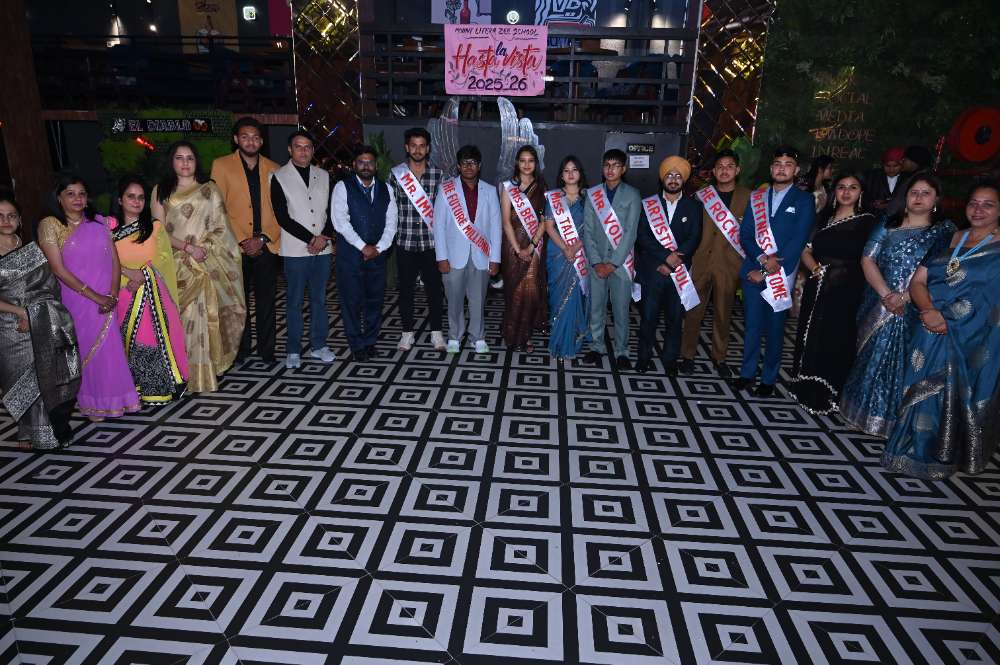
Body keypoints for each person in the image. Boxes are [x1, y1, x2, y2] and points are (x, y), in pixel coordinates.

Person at [882, 182, 1000, 478]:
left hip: (972, 336)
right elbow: (918, 281)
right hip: (929, 325)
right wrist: (928, 311)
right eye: (973, 203)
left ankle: (945, 453)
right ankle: (911, 448)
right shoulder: (951, 237)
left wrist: (952, 319)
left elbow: (991, 300)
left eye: (988, 205)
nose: (978, 210)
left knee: (954, 391)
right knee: (920, 386)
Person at [839, 174, 955, 436]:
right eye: (914, 192)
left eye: (926, 193)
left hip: (915, 305)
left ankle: (896, 423)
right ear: (905, 196)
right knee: (869, 359)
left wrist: (904, 298)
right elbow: (868, 259)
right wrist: (887, 295)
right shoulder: (887, 223)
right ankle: (858, 412)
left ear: (936, 200)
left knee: (906, 363)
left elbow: (939, 273)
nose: (918, 198)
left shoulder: (943, 232)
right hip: (877, 302)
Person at [37, 175, 140, 420]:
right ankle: (92, 403)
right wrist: (96, 297)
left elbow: (114, 260)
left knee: (110, 350)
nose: (77, 198)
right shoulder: (50, 224)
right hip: (77, 298)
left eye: (82, 193)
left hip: (107, 296)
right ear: (59, 198)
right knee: (86, 350)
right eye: (70, 193)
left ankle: (118, 399)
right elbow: (58, 269)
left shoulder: (99, 222)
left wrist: (112, 294)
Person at [152, 141, 246, 393]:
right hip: (176, 264)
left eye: (190, 158)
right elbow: (158, 232)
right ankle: (181, 373)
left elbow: (222, 227)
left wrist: (202, 248)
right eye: (179, 158)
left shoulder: (209, 189)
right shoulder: (161, 190)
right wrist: (187, 248)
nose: (185, 163)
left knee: (205, 317)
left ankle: (204, 374)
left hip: (207, 261)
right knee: (181, 320)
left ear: (196, 162)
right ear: (171, 161)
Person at [731, 146, 816, 397]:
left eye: (788, 165)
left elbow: (798, 240)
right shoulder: (757, 198)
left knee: (775, 329)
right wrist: (761, 259)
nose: (782, 169)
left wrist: (769, 270)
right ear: (771, 169)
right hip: (752, 271)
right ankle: (747, 373)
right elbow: (746, 234)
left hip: (782, 274)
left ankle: (768, 378)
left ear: (796, 170)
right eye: (778, 164)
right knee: (752, 327)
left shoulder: (804, 200)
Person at [789, 174, 876, 414]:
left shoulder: (868, 223)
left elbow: (871, 259)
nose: (846, 192)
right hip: (818, 287)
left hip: (847, 290)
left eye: (853, 187)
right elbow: (805, 250)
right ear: (834, 192)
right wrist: (816, 269)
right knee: (811, 335)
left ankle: (831, 391)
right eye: (841, 187)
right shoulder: (823, 218)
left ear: (861, 193)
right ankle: (806, 385)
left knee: (837, 338)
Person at [0, 193, 80, 448]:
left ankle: (47, 432)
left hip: (41, 320)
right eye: (0, 216)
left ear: (20, 220)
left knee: (44, 377)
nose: (6, 221)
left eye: (11, 216)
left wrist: (36, 312)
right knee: (17, 381)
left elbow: (49, 285)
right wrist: (20, 313)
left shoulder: (32, 250)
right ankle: (25, 431)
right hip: (8, 325)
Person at [110, 177, 189, 405]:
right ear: (120, 200)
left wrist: (143, 276)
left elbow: (163, 260)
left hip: (152, 293)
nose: (136, 201)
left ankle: (156, 389)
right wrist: (128, 274)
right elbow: (104, 261)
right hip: (123, 293)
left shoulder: (154, 227)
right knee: (130, 343)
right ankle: (132, 390)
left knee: (150, 339)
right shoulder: (109, 231)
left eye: (141, 197)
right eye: (130, 196)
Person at [210, 116, 281, 365]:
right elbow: (216, 208)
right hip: (234, 246)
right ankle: (240, 350)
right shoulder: (221, 166)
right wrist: (242, 240)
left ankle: (267, 350)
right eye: (245, 137)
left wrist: (261, 239)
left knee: (266, 301)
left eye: (255, 137)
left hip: (267, 245)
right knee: (237, 302)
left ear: (261, 141)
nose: (250, 141)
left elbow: (281, 210)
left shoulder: (275, 168)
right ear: (236, 139)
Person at [680, 149, 751, 377]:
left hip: (729, 265)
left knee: (723, 314)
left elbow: (755, 232)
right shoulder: (702, 196)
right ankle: (687, 356)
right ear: (714, 171)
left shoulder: (750, 198)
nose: (724, 170)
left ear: (737, 170)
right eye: (720, 166)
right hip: (701, 261)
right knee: (693, 311)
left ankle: (719, 358)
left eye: (729, 166)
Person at [270, 130, 336, 369]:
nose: (304, 151)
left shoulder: (324, 175)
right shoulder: (278, 177)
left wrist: (324, 237)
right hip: (295, 250)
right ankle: (293, 350)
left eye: (308, 146)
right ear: (290, 150)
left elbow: (332, 211)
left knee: (320, 299)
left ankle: (319, 345)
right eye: (298, 146)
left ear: (313, 150)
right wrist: (311, 239)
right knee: (294, 302)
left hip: (323, 249)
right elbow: (282, 217)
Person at [635, 156, 703, 375]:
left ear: (683, 180)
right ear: (662, 178)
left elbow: (694, 238)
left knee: (674, 319)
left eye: (678, 176)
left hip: (678, 273)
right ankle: (643, 357)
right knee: (648, 318)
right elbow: (642, 236)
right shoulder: (648, 204)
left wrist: (673, 263)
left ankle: (670, 359)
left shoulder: (694, 206)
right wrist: (665, 257)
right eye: (669, 175)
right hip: (653, 271)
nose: (673, 180)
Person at [331, 144, 398, 361]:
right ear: (354, 165)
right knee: (351, 302)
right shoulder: (342, 187)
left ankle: (370, 342)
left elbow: (392, 223)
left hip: (377, 256)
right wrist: (363, 247)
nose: (366, 166)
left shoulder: (387, 189)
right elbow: (340, 222)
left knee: (374, 302)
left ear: (376, 166)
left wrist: (380, 247)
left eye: (370, 162)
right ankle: (356, 344)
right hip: (350, 256)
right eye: (361, 162)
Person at [433, 144, 502, 354]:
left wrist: (495, 258)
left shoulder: (490, 191)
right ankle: (455, 335)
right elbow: (439, 225)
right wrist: (441, 257)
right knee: (453, 299)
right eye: (464, 163)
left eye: (473, 163)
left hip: (481, 255)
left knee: (478, 300)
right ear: (458, 166)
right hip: (453, 257)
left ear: (479, 166)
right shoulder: (446, 189)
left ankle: (477, 336)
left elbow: (496, 226)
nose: (469, 167)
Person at [581, 149, 642, 369]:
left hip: (621, 264)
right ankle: (596, 346)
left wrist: (613, 263)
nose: (610, 169)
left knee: (621, 310)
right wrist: (597, 262)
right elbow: (588, 231)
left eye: (615, 165)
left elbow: (630, 233)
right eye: (607, 165)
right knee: (596, 307)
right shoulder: (593, 194)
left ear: (623, 169)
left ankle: (622, 351)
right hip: (596, 263)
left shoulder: (633, 195)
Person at [390, 128, 446, 352]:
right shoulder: (396, 175)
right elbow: (390, 210)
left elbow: (445, 212)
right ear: (407, 147)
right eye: (413, 145)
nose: (417, 150)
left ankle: (437, 333)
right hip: (405, 243)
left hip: (431, 244)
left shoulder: (439, 175)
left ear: (428, 148)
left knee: (435, 290)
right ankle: (407, 333)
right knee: (406, 290)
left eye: (422, 146)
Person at [500, 145, 548, 352]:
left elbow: (544, 221)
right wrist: (518, 249)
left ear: (536, 163)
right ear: (517, 163)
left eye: (531, 160)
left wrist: (531, 246)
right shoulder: (507, 187)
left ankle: (525, 335)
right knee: (514, 291)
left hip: (534, 247)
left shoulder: (542, 188)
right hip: (512, 246)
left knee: (530, 292)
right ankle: (511, 333)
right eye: (523, 160)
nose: (527, 165)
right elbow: (505, 222)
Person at [543, 156, 591, 361]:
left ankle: (571, 340)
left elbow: (591, 229)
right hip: (557, 254)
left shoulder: (588, 198)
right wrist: (565, 248)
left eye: (574, 170)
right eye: (566, 170)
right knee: (558, 298)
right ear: (561, 175)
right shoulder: (553, 198)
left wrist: (575, 247)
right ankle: (559, 339)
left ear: (580, 173)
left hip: (580, 253)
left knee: (575, 297)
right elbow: (548, 227)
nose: (570, 174)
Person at [862, 147, 904, 214]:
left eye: (895, 166)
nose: (891, 169)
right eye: (887, 166)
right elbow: (864, 198)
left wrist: (889, 205)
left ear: (902, 165)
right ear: (883, 165)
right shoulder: (872, 177)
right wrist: (873, 204)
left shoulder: (906, 179)